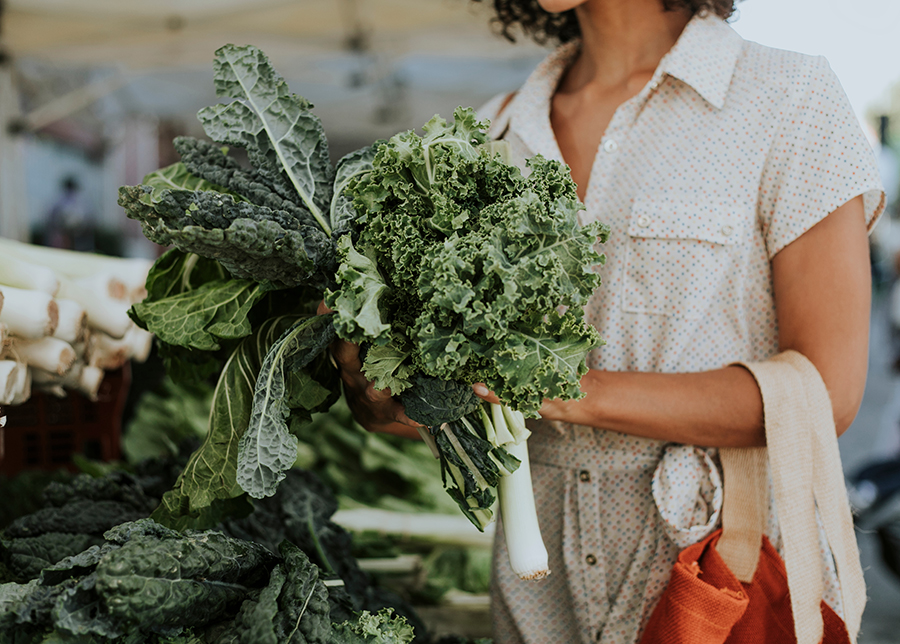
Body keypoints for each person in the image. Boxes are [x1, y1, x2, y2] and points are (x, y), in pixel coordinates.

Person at [328, 1, 885, 642]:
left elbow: (824, 392)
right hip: (539, 603)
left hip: (721, 583)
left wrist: (565, 392)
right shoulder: (489, 135)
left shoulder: (787, 99)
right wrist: (384, 398)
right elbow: (455, 406)